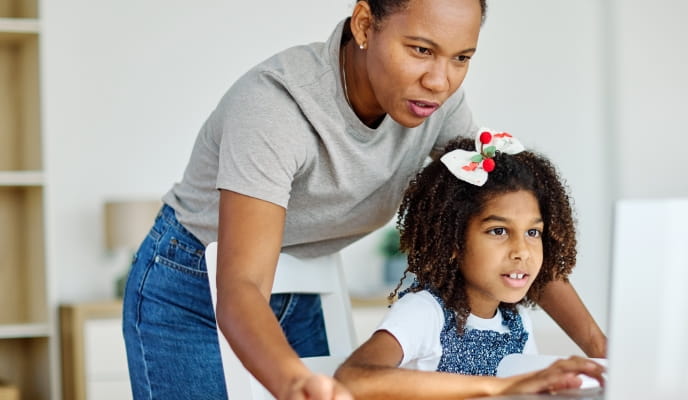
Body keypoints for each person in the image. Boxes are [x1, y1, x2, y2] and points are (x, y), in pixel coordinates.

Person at [121, 0, 606, 399]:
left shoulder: (439, 109)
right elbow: (242, 285)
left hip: (301, 287)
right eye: (421, 50)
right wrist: (295, 383)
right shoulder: (276, 107)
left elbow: (503, 220)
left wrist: (604, 355)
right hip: (193, 289)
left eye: (461, 58)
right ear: (364, 25)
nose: (440, 81)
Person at [334, 132, 604, 399]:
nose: (522, 252)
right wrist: (497, 387)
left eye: (533, 233)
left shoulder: (516, 322)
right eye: (498, 231)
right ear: (452, 241)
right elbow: (351, 378)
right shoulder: (426, 312)